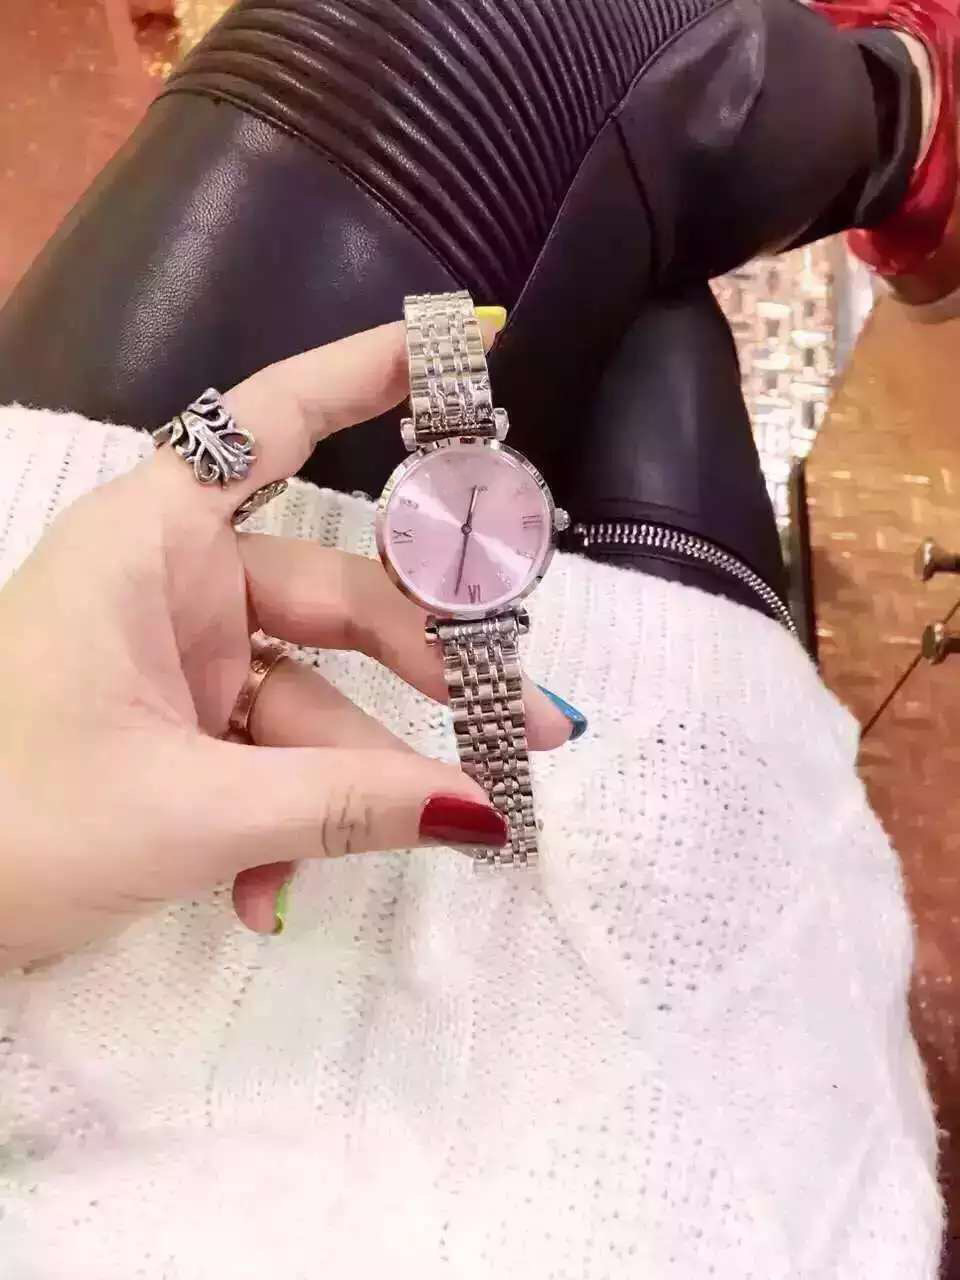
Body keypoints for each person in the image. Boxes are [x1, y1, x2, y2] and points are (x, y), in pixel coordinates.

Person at [0, 0, 952, 1274]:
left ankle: (889, 123)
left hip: (114, 689)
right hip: (645, 1097)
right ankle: (902, 115)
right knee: (642, 277)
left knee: (632, 252)